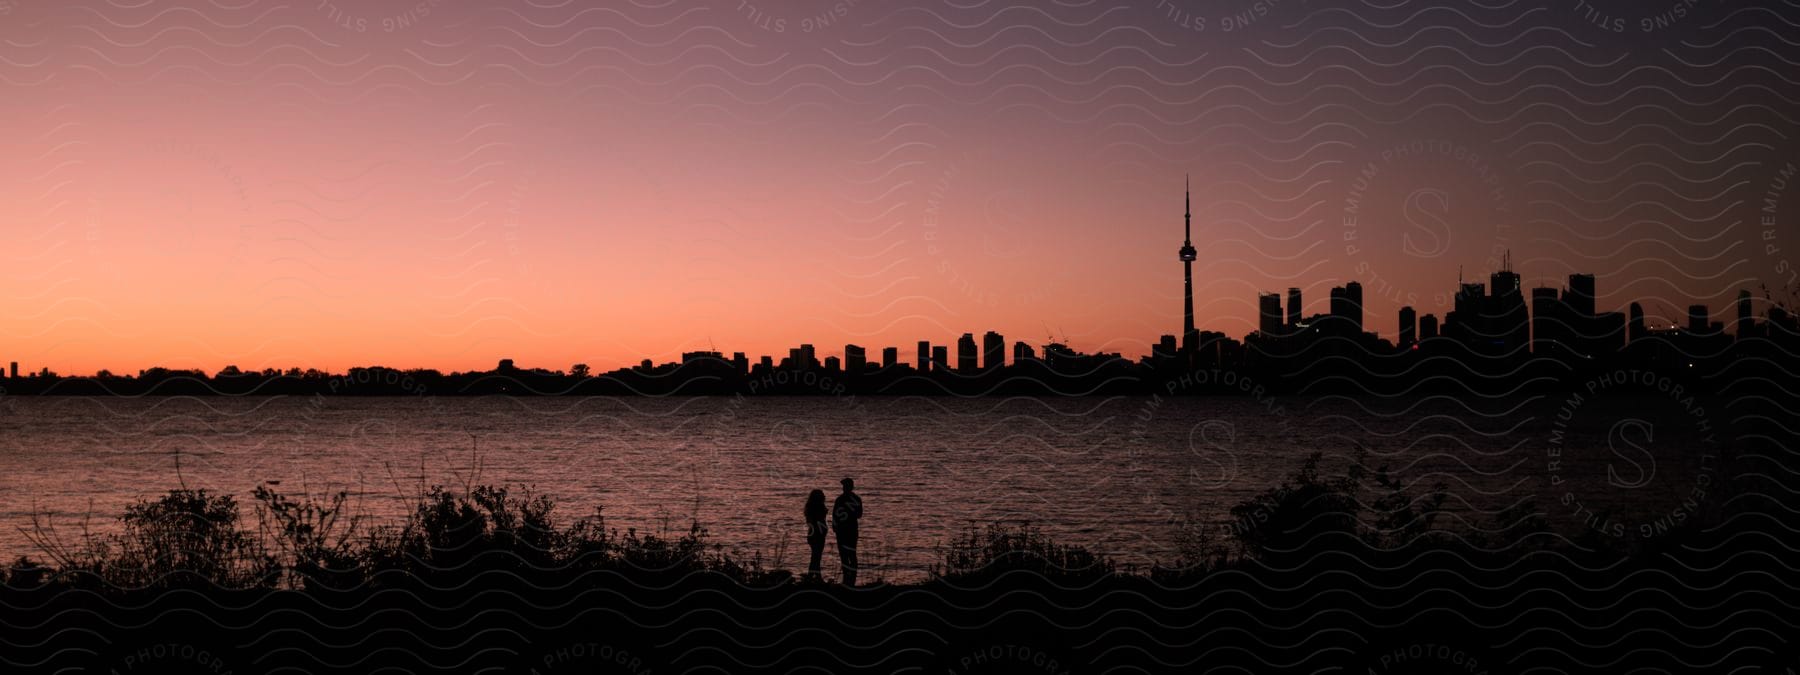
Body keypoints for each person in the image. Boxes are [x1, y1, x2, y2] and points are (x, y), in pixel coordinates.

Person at [832, 477, 863, 585]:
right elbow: (835, 515)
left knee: (849, 555)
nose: (843, 488)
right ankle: (848, 579)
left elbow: (859, 514)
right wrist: (835, 527)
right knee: (846, 555)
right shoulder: (847, 499)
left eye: (845, 486)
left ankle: (850, 579)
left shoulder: (842, 499)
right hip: (845, 531)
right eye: (843, 486)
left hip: (848, 531)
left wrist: (835, 526)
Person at [804, 489, 828, 581]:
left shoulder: (813, 506)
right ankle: (812, 577)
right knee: (816, 557)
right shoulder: (815, 507)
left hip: (817, 534)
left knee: (816, 556)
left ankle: (815, 577)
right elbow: (814, 521)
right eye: (821, 494)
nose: (823, 496)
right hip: (816, 534)